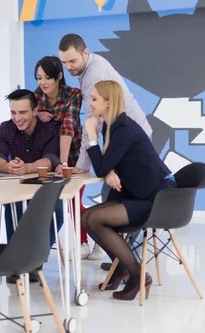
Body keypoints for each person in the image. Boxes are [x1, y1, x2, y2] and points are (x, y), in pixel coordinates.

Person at [58, 33, 152, 262]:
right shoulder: (88, 69)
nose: (69, 67)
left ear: (85, 53)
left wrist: (81, 165)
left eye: (72, 61)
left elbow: (91, 122)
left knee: (129, 198)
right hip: (120, 138)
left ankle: (129, 261)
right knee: (111, 197)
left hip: (131, 140)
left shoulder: (95, 75)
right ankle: (117, 257)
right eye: (64, 62)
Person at [80, 80, 175, 301]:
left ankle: (137, 275)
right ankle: (122, 267)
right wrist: (110, 169)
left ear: (109, 102)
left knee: (94, 220)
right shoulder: (112, 125)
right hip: (139, 193)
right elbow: (110, 162)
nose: (90, 103)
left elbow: (102, 165)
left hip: (157, 198)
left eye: (94, 99)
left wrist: (91, 138)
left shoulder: (124, 128)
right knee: (86, 217)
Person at [0, 88, 63, 283]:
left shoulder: (51, 129)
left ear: (35, 111)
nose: (17, 118)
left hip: (43, 186)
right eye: (13, 113)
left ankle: (36, 259)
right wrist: (9, 167)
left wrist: (28, 167)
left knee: (57, 209)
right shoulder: (5, 128)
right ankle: (15, 262)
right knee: (12, 204)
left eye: (22, 112)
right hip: (17, 186)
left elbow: (51, 159)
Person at [33, 56, 92, 259]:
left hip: (74, 157)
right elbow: (26, 118)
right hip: (48, 159)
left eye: (48, 77)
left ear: (59, 76)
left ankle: (87, 241)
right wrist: (37, 113)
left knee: (73, 200)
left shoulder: (73, 94)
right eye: (39, 77)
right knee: (56, 203)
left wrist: (65, 163)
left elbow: (67, 127)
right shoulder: (36, 98)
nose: (43, 82)